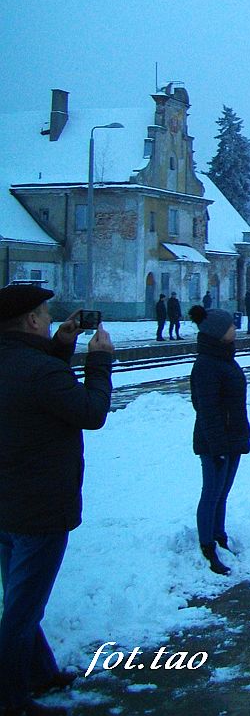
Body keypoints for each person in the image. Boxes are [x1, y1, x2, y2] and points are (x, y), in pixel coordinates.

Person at [0, 284, 114, 715]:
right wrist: (99, 361)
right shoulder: (39, 371)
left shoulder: (18, 362)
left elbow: (38, 393)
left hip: (8, 503)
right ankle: (10, 698)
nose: (51, 319)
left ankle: (40, 672)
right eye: (45, 314)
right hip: (40, 508)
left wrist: (61, 347)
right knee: (22, 612)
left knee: (19, 599)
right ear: (30, 320)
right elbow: (90, 412)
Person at [186, 306, 250, 577]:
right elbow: (207, 410)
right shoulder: (206, 365)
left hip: (231, 437)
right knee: (211, 493)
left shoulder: (223, 358)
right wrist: (218, 447)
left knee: (222, 493)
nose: (235, 329)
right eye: (230, 327)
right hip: (216, 442)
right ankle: (207, 546)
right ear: (217, 333)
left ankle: (219, 537)